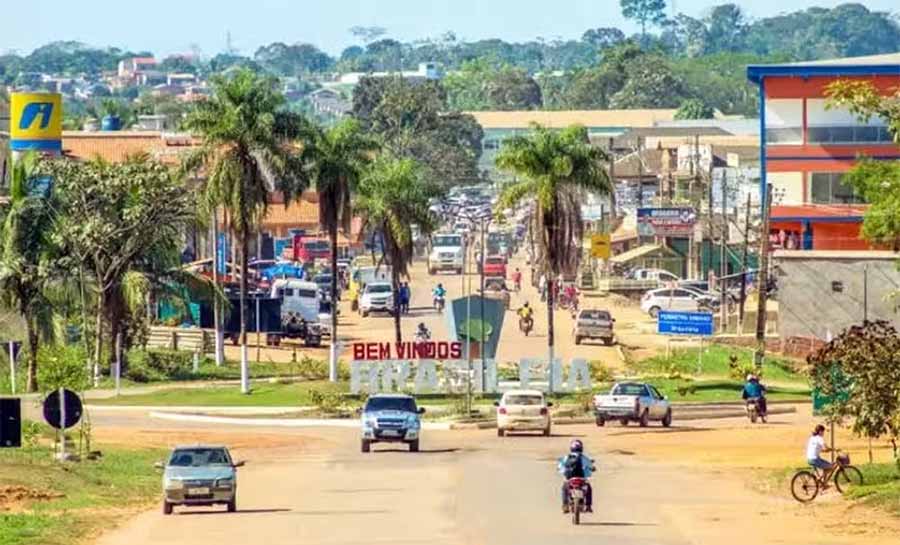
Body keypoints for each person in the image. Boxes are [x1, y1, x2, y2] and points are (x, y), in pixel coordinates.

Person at [557, 439, 595, 513]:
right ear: (581, 448)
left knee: (564, 488)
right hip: (581, 478)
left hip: (570, 479)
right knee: (589, 488)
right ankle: (588, 506)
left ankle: (565, 505)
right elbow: (590, 465)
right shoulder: (584, 457)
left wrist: (561, 469)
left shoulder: (567, 457)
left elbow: (560, 466)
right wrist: (592, 468)